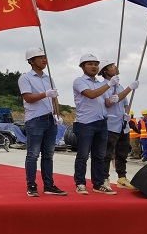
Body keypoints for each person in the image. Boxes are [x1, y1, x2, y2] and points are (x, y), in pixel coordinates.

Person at [18, 47, 67, 198]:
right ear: (31, 61)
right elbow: (28, 98)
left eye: (45, 57)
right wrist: (45, 94)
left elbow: (54, 98)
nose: (44, 60)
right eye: (40, 57)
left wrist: (57, 114)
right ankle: (31, 185)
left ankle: (49, 185)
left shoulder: (48, 78)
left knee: (48, 154)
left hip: (50, 119)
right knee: (33, 154)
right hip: (35, 119)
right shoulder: (25, 78)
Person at [72, 54, 117, 195]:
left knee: (99, 156)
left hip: (101, 122)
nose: (94, 67)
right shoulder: (79, 81)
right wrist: (108, 84)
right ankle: (80, 183)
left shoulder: (99, 83)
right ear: (82, 67)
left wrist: (113, 100)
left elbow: (106, 104)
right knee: (83, 155)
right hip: (85, 123)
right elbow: (91, 95)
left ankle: (98, 184)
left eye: (96, 64)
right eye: (90, 64)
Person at [99, 63, 138, 190]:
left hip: (123, 124)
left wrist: (127, 113)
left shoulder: (119, 86)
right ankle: (104, 179)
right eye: (112, 66)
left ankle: (122, 177)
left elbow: (125, 103)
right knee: (107, 153)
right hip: (110, 124)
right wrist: (129, 88)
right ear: (105, 71)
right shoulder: (103, 86)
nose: (115, 67)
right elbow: (109, 103)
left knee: (122, 153)